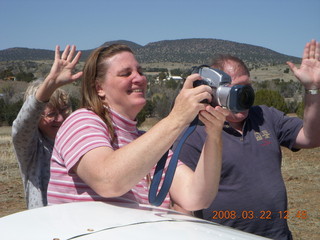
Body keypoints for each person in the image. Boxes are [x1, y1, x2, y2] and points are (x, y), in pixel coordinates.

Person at [47, 44, 228, 211]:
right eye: (126, 73)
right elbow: (108, 180)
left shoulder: (147, 140)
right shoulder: (81, 121)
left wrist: (213, 136)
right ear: (99, 88)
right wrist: (177, 118)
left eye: (140, 71)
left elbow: (196, 198)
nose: (139, 78)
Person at [172, 39, 320, 240]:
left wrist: (312, 90)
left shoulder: (266, 116)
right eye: (235, 88)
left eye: (246, 87)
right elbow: (183, 203)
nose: (244, 95)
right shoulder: (193, 134)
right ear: (213, 92)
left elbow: (311, 137)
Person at [12, 45, 83, 209]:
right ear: (37, 117)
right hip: (45, 227)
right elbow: (21, 126)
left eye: (64, 110)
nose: (60, 118)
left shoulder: (77, 141)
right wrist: (51, 83)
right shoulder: (31, 149)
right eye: (51, 114)